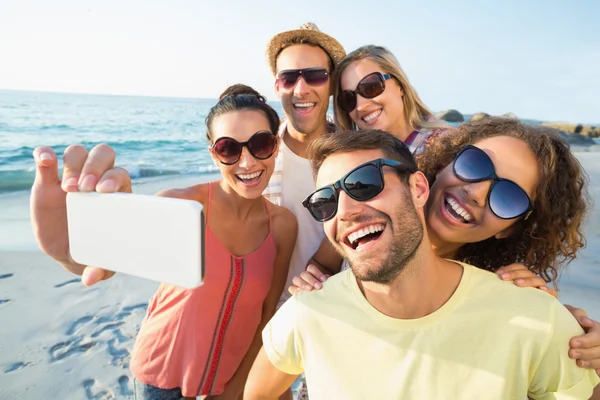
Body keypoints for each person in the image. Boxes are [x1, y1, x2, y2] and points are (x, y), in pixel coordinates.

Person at [244, 128, 600, 399]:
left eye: (507, 196)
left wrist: (567, 335)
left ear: (512, 229)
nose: (476, 192)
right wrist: (309, 294)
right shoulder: (318, 301)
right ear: (433, 174)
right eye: (475, 164)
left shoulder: (523, 306)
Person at [30, 85, 298, 399]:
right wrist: (71, 251)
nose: (248, 161)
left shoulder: (283, 225)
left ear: (275, 146)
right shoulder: (177, 206)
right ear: (213, 154)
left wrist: (239, 385)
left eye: (260, 144)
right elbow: (105, 262)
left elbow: (268, 313)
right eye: (229, 149)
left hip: (231, 380)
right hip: (161, 375)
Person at [332, 44, 447, 154]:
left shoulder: (447, 149)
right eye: (348, 98)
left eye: (371, 87)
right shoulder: (357, 162)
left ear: (400, 85)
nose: (360, 106)